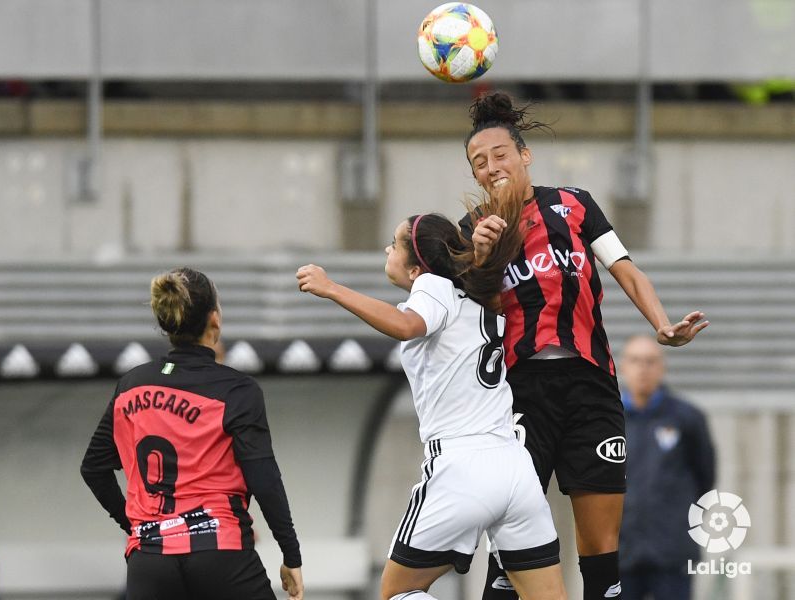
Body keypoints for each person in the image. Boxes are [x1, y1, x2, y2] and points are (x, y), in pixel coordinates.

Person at [463, 91, 709, 600]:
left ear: (524, 155)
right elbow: (475, 311)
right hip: (519, 396)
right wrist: (483, 257)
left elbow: (624, 268)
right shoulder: (473, 230)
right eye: (478, 162)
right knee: (511, 553)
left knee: (601, 552)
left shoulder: (574, 203)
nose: (491, 167)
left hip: (592, 388)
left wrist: (662, 325)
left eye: (500, 154)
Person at [297, 199, 567, 600]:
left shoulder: (434, 285)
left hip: (461, 467)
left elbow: (408, 326)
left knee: (394, 595)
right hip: (516, 468)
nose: (387, 249)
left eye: (394, 243)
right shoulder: (480, 299)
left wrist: (331, 287)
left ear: (415, 267)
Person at [80, 267, 304, 600]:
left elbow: (93, 468)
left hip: (150, 561)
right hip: (219, 553)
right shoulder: (238, 390)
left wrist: (137, 527)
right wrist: (291, 555)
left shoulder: (130, 385)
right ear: (215, 320)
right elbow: (264, 478)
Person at [618, 334, 715, 600]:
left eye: (651, 361)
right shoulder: (607, 420)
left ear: (662, 367)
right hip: (620, 550)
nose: (643, 369)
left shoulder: (688, 418)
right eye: (636, 361)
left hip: (672, 552)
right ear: (623, 366)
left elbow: (705, 477)